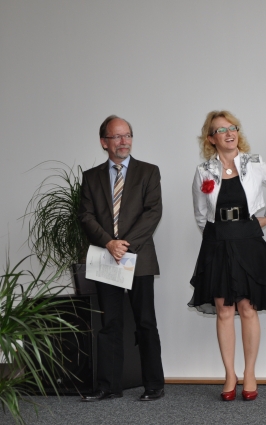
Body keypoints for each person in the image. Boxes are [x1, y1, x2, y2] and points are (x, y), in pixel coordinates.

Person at [190, 110, 266, 401]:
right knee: (224, 310)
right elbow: (200, 214)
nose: (229, 133)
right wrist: (215, 234)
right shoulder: (203, 170)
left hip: (248, 241)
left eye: (232, 127)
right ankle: (229, 374)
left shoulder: (254, 163)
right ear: (211, 138)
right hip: (217, 243)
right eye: (221, 130)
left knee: (247, 308)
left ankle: (250, 373)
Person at [78, 115, 165, 402]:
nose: (123, 141)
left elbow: (153, 212)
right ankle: (108, 386)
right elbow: (86, 216)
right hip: (106, 258)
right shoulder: (91, 177)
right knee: (110, 324)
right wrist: (109, 243)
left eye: (127, 135)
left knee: (145, 322)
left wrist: (123, 246)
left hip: (138, 256)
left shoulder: (148, 172)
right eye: (116, 136)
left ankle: (153, 385)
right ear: (104, 142)